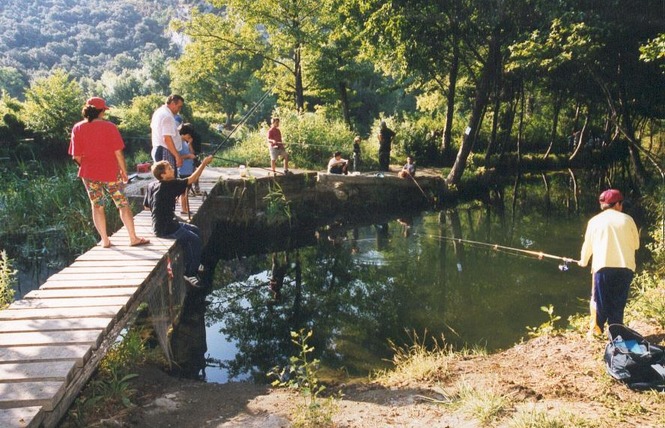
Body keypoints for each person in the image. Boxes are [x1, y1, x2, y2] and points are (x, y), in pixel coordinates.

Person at [69, 97, 150, 248]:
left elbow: (76, 157)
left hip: (89, 173)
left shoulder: (77, 128)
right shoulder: (110, 127)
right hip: (111, 172)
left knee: (97, 205)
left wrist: (89, 166)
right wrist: (124, 171)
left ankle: (105, 240)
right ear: (101, 111)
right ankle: (133, 238)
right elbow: (118, 153)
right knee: (122, 204)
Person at [144, 155, 214, 287]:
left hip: (165, 223)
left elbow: (146, 206)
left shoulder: (152, 185)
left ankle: (194, 260)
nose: (173, 169)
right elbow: (192, 179)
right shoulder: (170, 185)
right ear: (163, 175)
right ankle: (190, 273)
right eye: (169, 168)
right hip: (166, 229)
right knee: (195, 240)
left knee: (195, 230)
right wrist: (204, 163)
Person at [578, 189, 640, 337]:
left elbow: (588, 246)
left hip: (602, 268)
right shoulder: (628, 219)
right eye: (621, 203)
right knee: (618, 301)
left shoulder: (594, 221)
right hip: (625, 267)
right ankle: (616, 331)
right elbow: (636, 245)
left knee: (600, 301)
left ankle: (597, 330)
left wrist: (583, 261)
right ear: (618, 204)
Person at [151, 94, 185, 170]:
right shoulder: (167, 116)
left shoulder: (158, 112)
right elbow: (167, 138)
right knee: (170, 179)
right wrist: (177, 156)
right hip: (165, 151)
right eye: (179, 107)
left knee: (163, 179)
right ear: (173, 103)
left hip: (158, 149)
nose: (179, 110)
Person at [177, 123, 198, 215]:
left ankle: (185, 208)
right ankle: (184, 209)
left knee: (187, 190)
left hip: (189, 169)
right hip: (183, 170)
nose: (189, 136)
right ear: (183, 134)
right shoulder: (178, 144)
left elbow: (193, 152)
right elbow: (178, 157)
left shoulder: (185, 142)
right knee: (183, 191)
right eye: (188, 135)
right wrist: (189, 156)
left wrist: (189, 144)